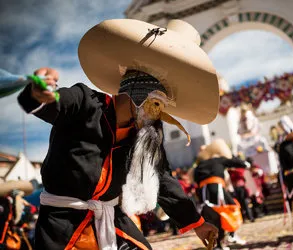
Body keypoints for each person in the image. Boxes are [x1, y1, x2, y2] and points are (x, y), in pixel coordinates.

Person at [17, 19, 219, 249]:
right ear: (135, 92)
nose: (158, 114)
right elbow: (51, 104)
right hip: (63, 225)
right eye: (155, 103)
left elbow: (162, 178)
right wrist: (39, 92)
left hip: (113, 220)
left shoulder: (146, 134)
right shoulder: (85, 102)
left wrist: (196, 223)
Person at [194, 139, 247, 249]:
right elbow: (240, 164)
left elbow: (196, 180)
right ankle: (231, 235)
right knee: (232, 209)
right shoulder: (218, 160)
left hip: (204, 193)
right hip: (216, 189)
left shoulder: (199, 165)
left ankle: (218, 243)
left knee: (213, 218)